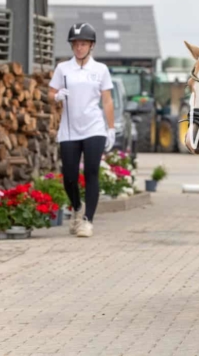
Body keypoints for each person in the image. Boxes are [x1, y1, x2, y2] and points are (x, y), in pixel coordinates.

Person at [49, 23, 116, 238]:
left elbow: (107, 101)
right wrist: (56, 96)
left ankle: (88, 221)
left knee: (91, 173)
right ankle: (77, 207)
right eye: (76, 44)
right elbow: (50, 93)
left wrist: (111, 128)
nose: (79, 48)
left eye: (83, 44)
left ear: (91, 45)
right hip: (69, 130)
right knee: (69, 177)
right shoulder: (63, 69)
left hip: (94, 128)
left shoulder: (100, 70)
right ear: (72, 46)